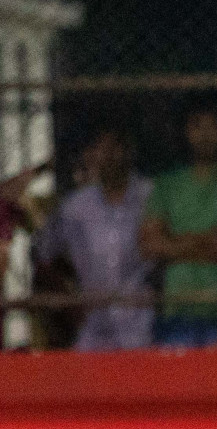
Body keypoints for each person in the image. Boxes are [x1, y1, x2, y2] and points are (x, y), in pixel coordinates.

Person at [139, 96, 217, 348]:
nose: (205, 134)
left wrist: (176, 243)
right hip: (176, 310)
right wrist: (210, 239)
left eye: (213, 126)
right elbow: (150, 246)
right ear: (185, 132)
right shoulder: (167, 183)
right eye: (197, 126)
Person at [33, 126, 154, 351]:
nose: (108, 155)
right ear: (91, 154)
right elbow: (43, 253)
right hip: (92, 327)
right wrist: (66, 302)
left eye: (115, 147)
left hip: (142, 326)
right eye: (101, 148)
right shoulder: (76, 207)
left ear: (129, 151)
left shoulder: (151, 196)